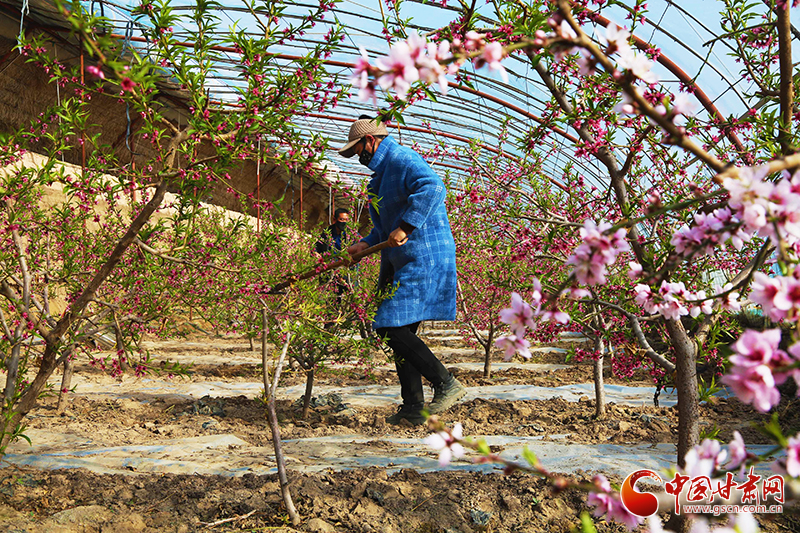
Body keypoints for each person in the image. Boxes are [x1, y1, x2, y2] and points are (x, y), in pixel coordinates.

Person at [340, 116, 466, 426]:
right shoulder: (380, 179)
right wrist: (364, 243)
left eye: (359, 150)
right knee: (402, 329)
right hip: (402, 258)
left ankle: (445, 382)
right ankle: (413, 408)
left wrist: (407, 226)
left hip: (424, 254)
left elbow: (433, 188)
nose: (359, 157)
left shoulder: (402, 158)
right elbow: (383, 228)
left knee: (389, 325)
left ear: (371, 140)